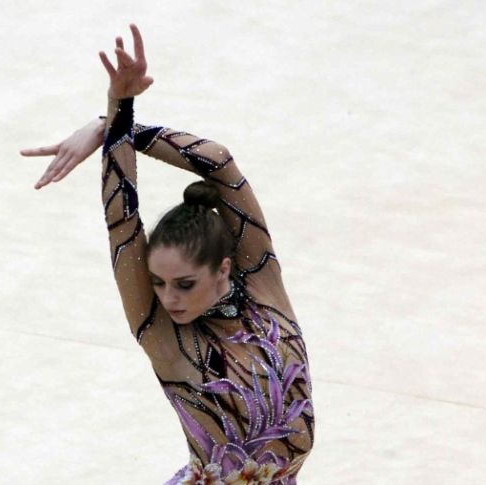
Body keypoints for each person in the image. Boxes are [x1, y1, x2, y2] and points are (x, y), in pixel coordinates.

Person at [20, 23, 314, 485]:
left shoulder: (264, 289)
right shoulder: (165, 337)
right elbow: (123, 222)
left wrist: (112, 128)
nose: (168, 298)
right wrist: (118, 107)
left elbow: (218, 161)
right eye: (158, 282)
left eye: (183, 284)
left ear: (224, 268)